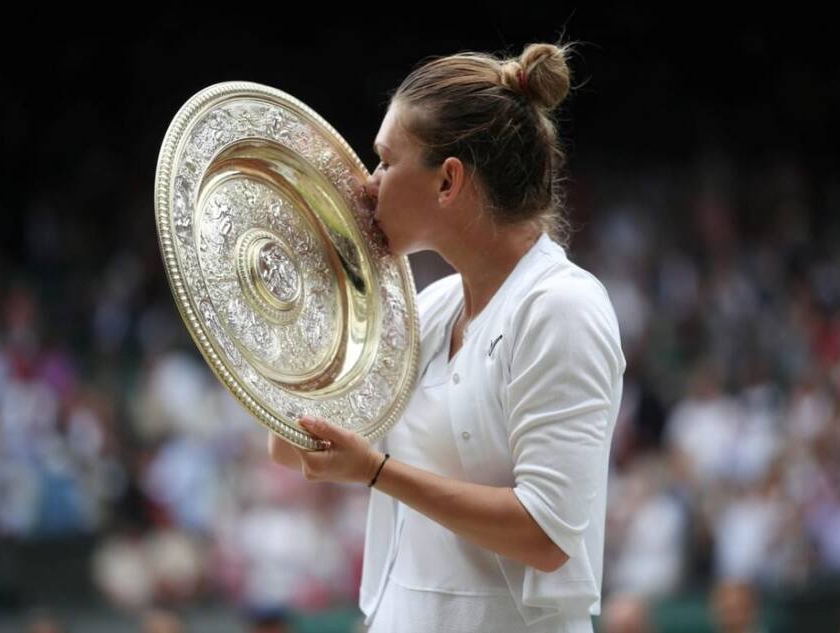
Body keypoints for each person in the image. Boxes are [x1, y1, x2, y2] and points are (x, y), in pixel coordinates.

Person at [267, 40, 626, 633]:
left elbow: (547, 534)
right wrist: (295, 301)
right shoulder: (430, 308)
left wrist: (379, 472)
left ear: (447, 181)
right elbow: (294, 448)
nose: (368, 184)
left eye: (385, 160)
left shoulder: (562, 308)